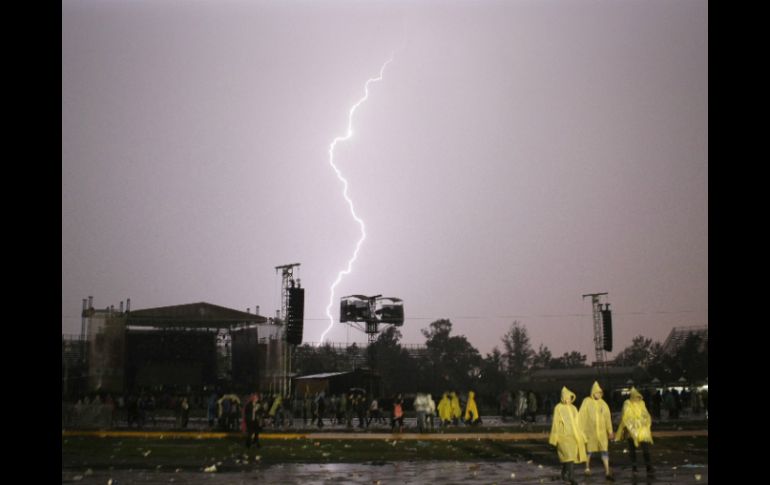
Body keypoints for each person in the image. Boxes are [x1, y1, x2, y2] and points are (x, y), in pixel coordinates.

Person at [549, 386, 587, 485]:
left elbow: (578, 423)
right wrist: (554, 437)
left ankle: (564, 473)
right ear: (562, 398)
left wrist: (582, 435)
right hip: (563, 437)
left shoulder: (574, 408)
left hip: (574, 436)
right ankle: (571, 477)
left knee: (570, 458)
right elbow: (555, 423)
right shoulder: (558, 408)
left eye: (569, 398)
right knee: (569, 456)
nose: (567, 400)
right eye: (565, 398)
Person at [578, 381, 614, 480]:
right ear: (592, 392)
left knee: (604, 450)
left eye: (599, 392)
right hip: (590, 433)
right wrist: (580, 430)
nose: (598, 394)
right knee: (589, 451)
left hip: (602, 434)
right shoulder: (586, 401)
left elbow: (607, 419)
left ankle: (607, 471)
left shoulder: (604, 404)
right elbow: (582, 416)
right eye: (596, 392)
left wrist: (610, 431)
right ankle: (587, 467)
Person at [616, 387, 654, 475]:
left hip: (642, 431)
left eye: (638, 397)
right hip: (631, 431)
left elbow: (646, 415)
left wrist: (644, 422)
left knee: (645, 449)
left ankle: (648, 466)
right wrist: (635, 423)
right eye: (635, 397)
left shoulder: (642, 403)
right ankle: (634, 467)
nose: (637, 399)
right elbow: (626, 416)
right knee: (632, 450)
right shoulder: (627, 404)